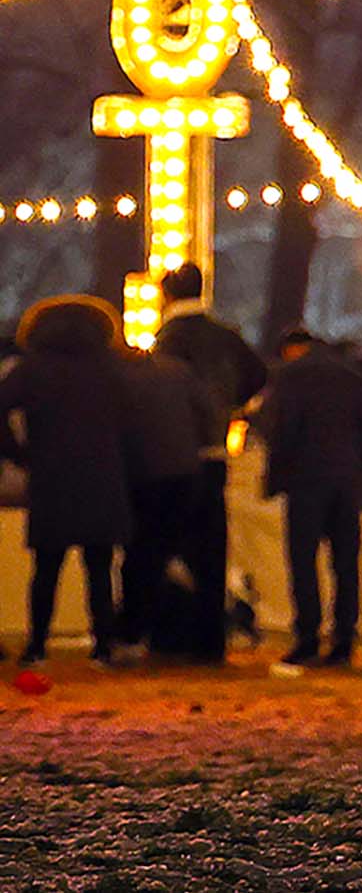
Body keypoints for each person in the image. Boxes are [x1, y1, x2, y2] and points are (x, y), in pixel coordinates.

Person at [0, 297, 133, 667]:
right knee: (100, 568)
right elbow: (133, 417)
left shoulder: (31, 369)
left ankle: (37, 645)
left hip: (50, 477)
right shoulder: (112, 368)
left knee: (46, 569)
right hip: (102, 475)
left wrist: (19, 454)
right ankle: (103, 645)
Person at [154, 262, 264, 663]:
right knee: (213, 549)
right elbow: (258, 375)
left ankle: (173, 637)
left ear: (166, 294)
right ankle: (210, 639)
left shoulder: (168, 340)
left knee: (171, 545)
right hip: (217, 454)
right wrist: (233, 408)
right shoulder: (226, 336)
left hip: (176, 455)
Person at [257, 326, 362, 671]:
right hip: (346, 477)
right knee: (345, 563)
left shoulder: (289, 376)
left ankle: (307, 637)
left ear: (291, 349)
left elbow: (281, 430)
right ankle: (344, 641)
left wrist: (273, 480)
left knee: (303, 560)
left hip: (305, 478)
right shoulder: (351, 375)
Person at [115, 324, 218, 657]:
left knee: (140, 555)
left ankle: (133, 632)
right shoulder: (179, 372)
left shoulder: (120, 379)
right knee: (173, 550)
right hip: (187, 473)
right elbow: (207, 412)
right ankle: (180, 632)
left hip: (143, 475)